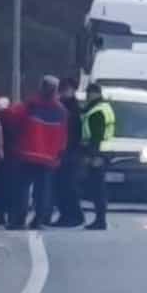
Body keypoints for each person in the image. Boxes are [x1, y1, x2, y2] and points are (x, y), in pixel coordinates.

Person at [6, 76, 68, 230]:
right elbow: (63, 135)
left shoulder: (31, 105)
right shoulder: (61, 111)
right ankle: (38, 220)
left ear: (41, 87)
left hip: (27, 153)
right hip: (48, 157)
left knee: (22, 188)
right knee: (42, 191)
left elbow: (12, 117)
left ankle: (18, 220)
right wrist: (59, 154)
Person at [82, 83, 115, 231]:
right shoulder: (102, 107)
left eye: (90, 93)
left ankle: (100, 220)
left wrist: (92, 156)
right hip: (104, 152)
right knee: (98, 188)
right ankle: (100, 219)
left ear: (95, 93)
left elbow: (96, 135)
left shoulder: (97, 110)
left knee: (98, 189)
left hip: (98, 153)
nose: (88, 96)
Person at [53, 77, 85, 227]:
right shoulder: (65, 105)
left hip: (70, 151)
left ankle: (73, 216)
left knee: (67, 186)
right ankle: (66, 215)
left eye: (66, 89)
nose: (63, 91)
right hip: (64, 150)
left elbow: (74, 131)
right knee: (61, 186)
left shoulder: (73, 108)